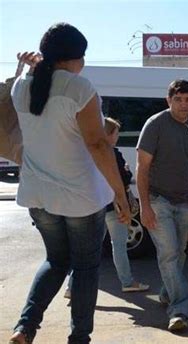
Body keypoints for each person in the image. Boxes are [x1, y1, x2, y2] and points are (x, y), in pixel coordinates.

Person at [9, 23, 131, 344]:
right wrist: (120, 194)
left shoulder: (22, 86)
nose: (84, 64)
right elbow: (98, 144)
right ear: (74, 58)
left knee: (55, 261)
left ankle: (25, 327)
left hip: (38, 195)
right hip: (80, 197)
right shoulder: (79, 88)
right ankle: (79, 338)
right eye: (83, 57)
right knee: (86, 267)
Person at [136, 79, 188, 331]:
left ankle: (167, 292)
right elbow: (142, 167)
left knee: (180, 253)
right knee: (168, 254)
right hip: (158, 200)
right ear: (169, 100)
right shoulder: (155, 124)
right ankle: (179, 309)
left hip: (184, 201)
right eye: (178, 99)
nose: (183, 105)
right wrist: (144, 206)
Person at [103, 117, 149, 292]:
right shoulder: (115, 154)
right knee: (119, 246)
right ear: (110, 134)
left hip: (95, 205)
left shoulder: (90, 153)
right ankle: (127, 282)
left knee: (88, 250)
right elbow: (124, 179)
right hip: (115, 206)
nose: (117, 136)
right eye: (116, 133)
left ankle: (72, 287)